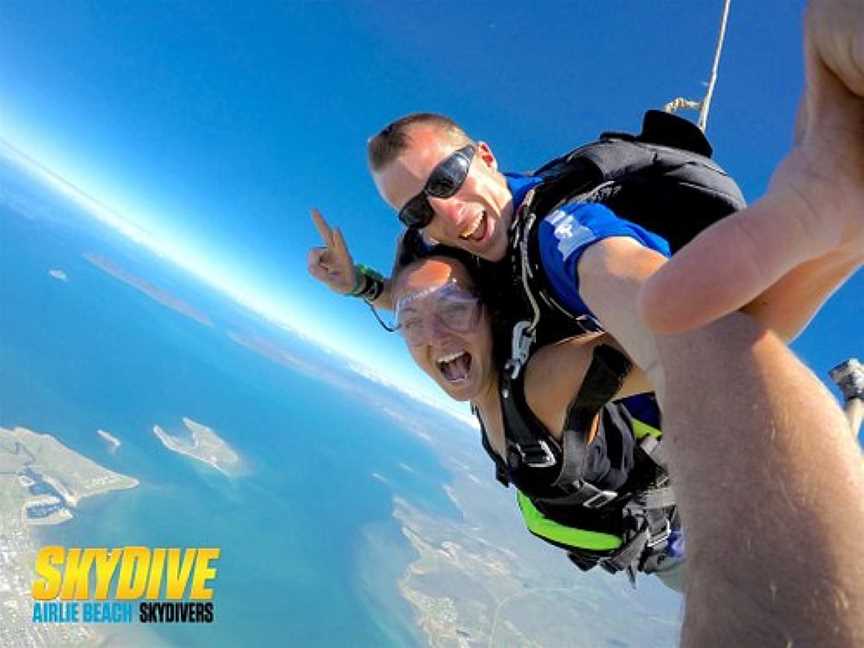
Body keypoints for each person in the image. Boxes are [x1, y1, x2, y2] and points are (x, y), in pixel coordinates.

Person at [309, 2, 864, 644]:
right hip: (624, 513)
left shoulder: (561, 236)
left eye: (449, 177)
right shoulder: (471, 263)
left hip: (676, 523)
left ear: (484, 156)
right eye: (416, 211)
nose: (447, 212)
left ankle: (849, 353)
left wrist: (778, 608)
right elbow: (433, 305)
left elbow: (675, 324)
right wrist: (361, 287)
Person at [390, 245, 685, 591]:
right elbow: (417, 303)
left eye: (454, 309)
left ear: (491, 314)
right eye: (412, 324)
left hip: (698, 539)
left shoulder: (542, 387)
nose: (436, 336)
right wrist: (362, 286)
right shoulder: (483, 380)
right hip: (651, 548)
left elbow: (685, 340)